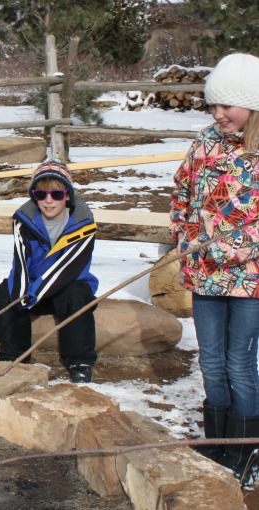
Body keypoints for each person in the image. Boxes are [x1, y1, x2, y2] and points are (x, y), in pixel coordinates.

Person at [170, 52, 259, 484]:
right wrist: (185, 237)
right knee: (210, 360)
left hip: (249, 279)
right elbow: (181, 195)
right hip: (204, 273)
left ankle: (244, 451)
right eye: (214, 105)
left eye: (228, 106)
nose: (219, 114)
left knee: (239, 363)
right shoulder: (204, 142)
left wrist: (238, 246)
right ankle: (216, 443)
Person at [0, 160, 99, 383]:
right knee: (3, 293)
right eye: (41, 195)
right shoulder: (23, 222)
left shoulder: (83, 223)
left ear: (67, 196)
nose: (49, 202)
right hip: (32, 287)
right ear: (34, 197)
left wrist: (34, 293)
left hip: (67, 284)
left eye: (56, 195)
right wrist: (20, 293)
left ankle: (80, 361)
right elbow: (20, 261)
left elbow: (69, 266)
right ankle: (14, 358)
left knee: (78, 295)